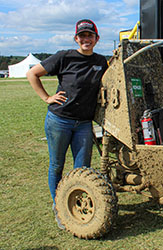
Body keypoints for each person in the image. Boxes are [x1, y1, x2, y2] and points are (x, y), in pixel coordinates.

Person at [26, 19, 108, 229]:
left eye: (90, 35)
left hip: (83, 124)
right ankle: (60, 207)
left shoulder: (101, 61)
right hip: (59, 120)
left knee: (83, 169)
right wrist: (47, 98)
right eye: (82, 36)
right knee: (57, 165)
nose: (86, 39)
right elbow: (32, 73)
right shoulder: (64, 57)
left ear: (97, 39)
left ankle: (79, 205)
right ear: (76, 39)